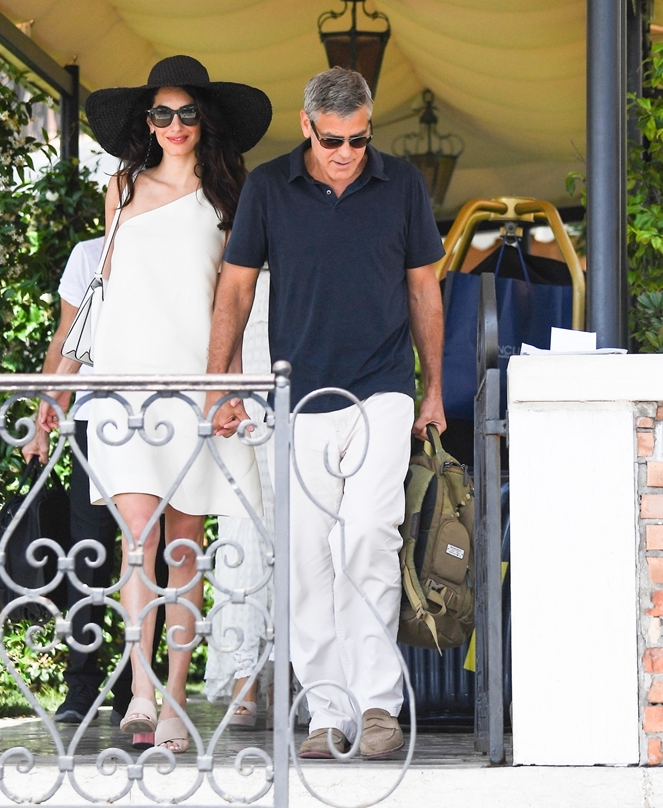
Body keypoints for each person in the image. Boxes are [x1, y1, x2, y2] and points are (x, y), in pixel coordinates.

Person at [206, 67, 446, 760]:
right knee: (307, 555)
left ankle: (376, 705)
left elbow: (423, 291)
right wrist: (220, 386)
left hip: (381, 390)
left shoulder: (401, 185)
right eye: (333, 139)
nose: (346, 153)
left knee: (368, 536)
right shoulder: (267, 187)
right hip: (299, 397)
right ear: (307, 126)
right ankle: (326, 712)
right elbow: (235, 290)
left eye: (358, 140)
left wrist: (432, 388)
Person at [81, 55, 272, 754]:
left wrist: (231, 387)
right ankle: (139, 691)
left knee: (184, 548)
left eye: (187, 112)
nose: (174, 124)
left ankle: (176, 697)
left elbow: (236, 300)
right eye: (161, 113)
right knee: (138, 542)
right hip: (126, 383)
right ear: (147, 121)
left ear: (204, 120)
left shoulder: (229, 198)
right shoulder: (121, 188)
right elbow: (107, 284)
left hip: (197, 383)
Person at [25, 238, 168, 740]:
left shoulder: (167, 243)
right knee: (88, 552)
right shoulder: (88, 254)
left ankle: (135, 689)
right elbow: (68, 335)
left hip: (156, 415)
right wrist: (45, 414)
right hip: (93, 417)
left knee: (150, 554)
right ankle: (81, 685)